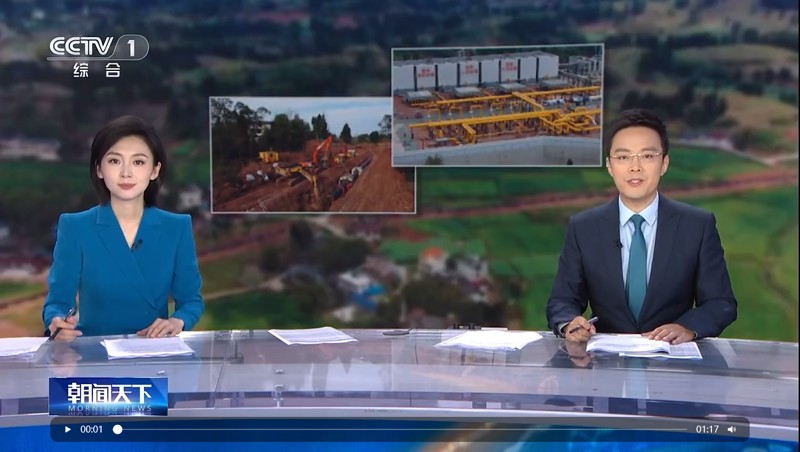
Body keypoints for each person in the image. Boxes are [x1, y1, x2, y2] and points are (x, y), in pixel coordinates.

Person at [546, 109, 737, 344]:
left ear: (664, 163)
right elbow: (563, 300)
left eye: (647, 156)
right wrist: (569, 322)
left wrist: (687, 328)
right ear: (609, 166)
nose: (635, 167)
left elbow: (720, 303)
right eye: (623, 157)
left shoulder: (697, 225)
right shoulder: (584, 227)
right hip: (606, 361)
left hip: (674, 358)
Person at [42, 116, 205, 341]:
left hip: (154, 349)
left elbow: (191, 301)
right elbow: (57, 303)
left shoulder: (177, 228)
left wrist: (177, 321)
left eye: (138, 162)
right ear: (99, 169)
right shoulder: (75, 227)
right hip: (94, 352)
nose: (126, 172)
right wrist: (56, 321)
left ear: (155, 170)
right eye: (114, 161)